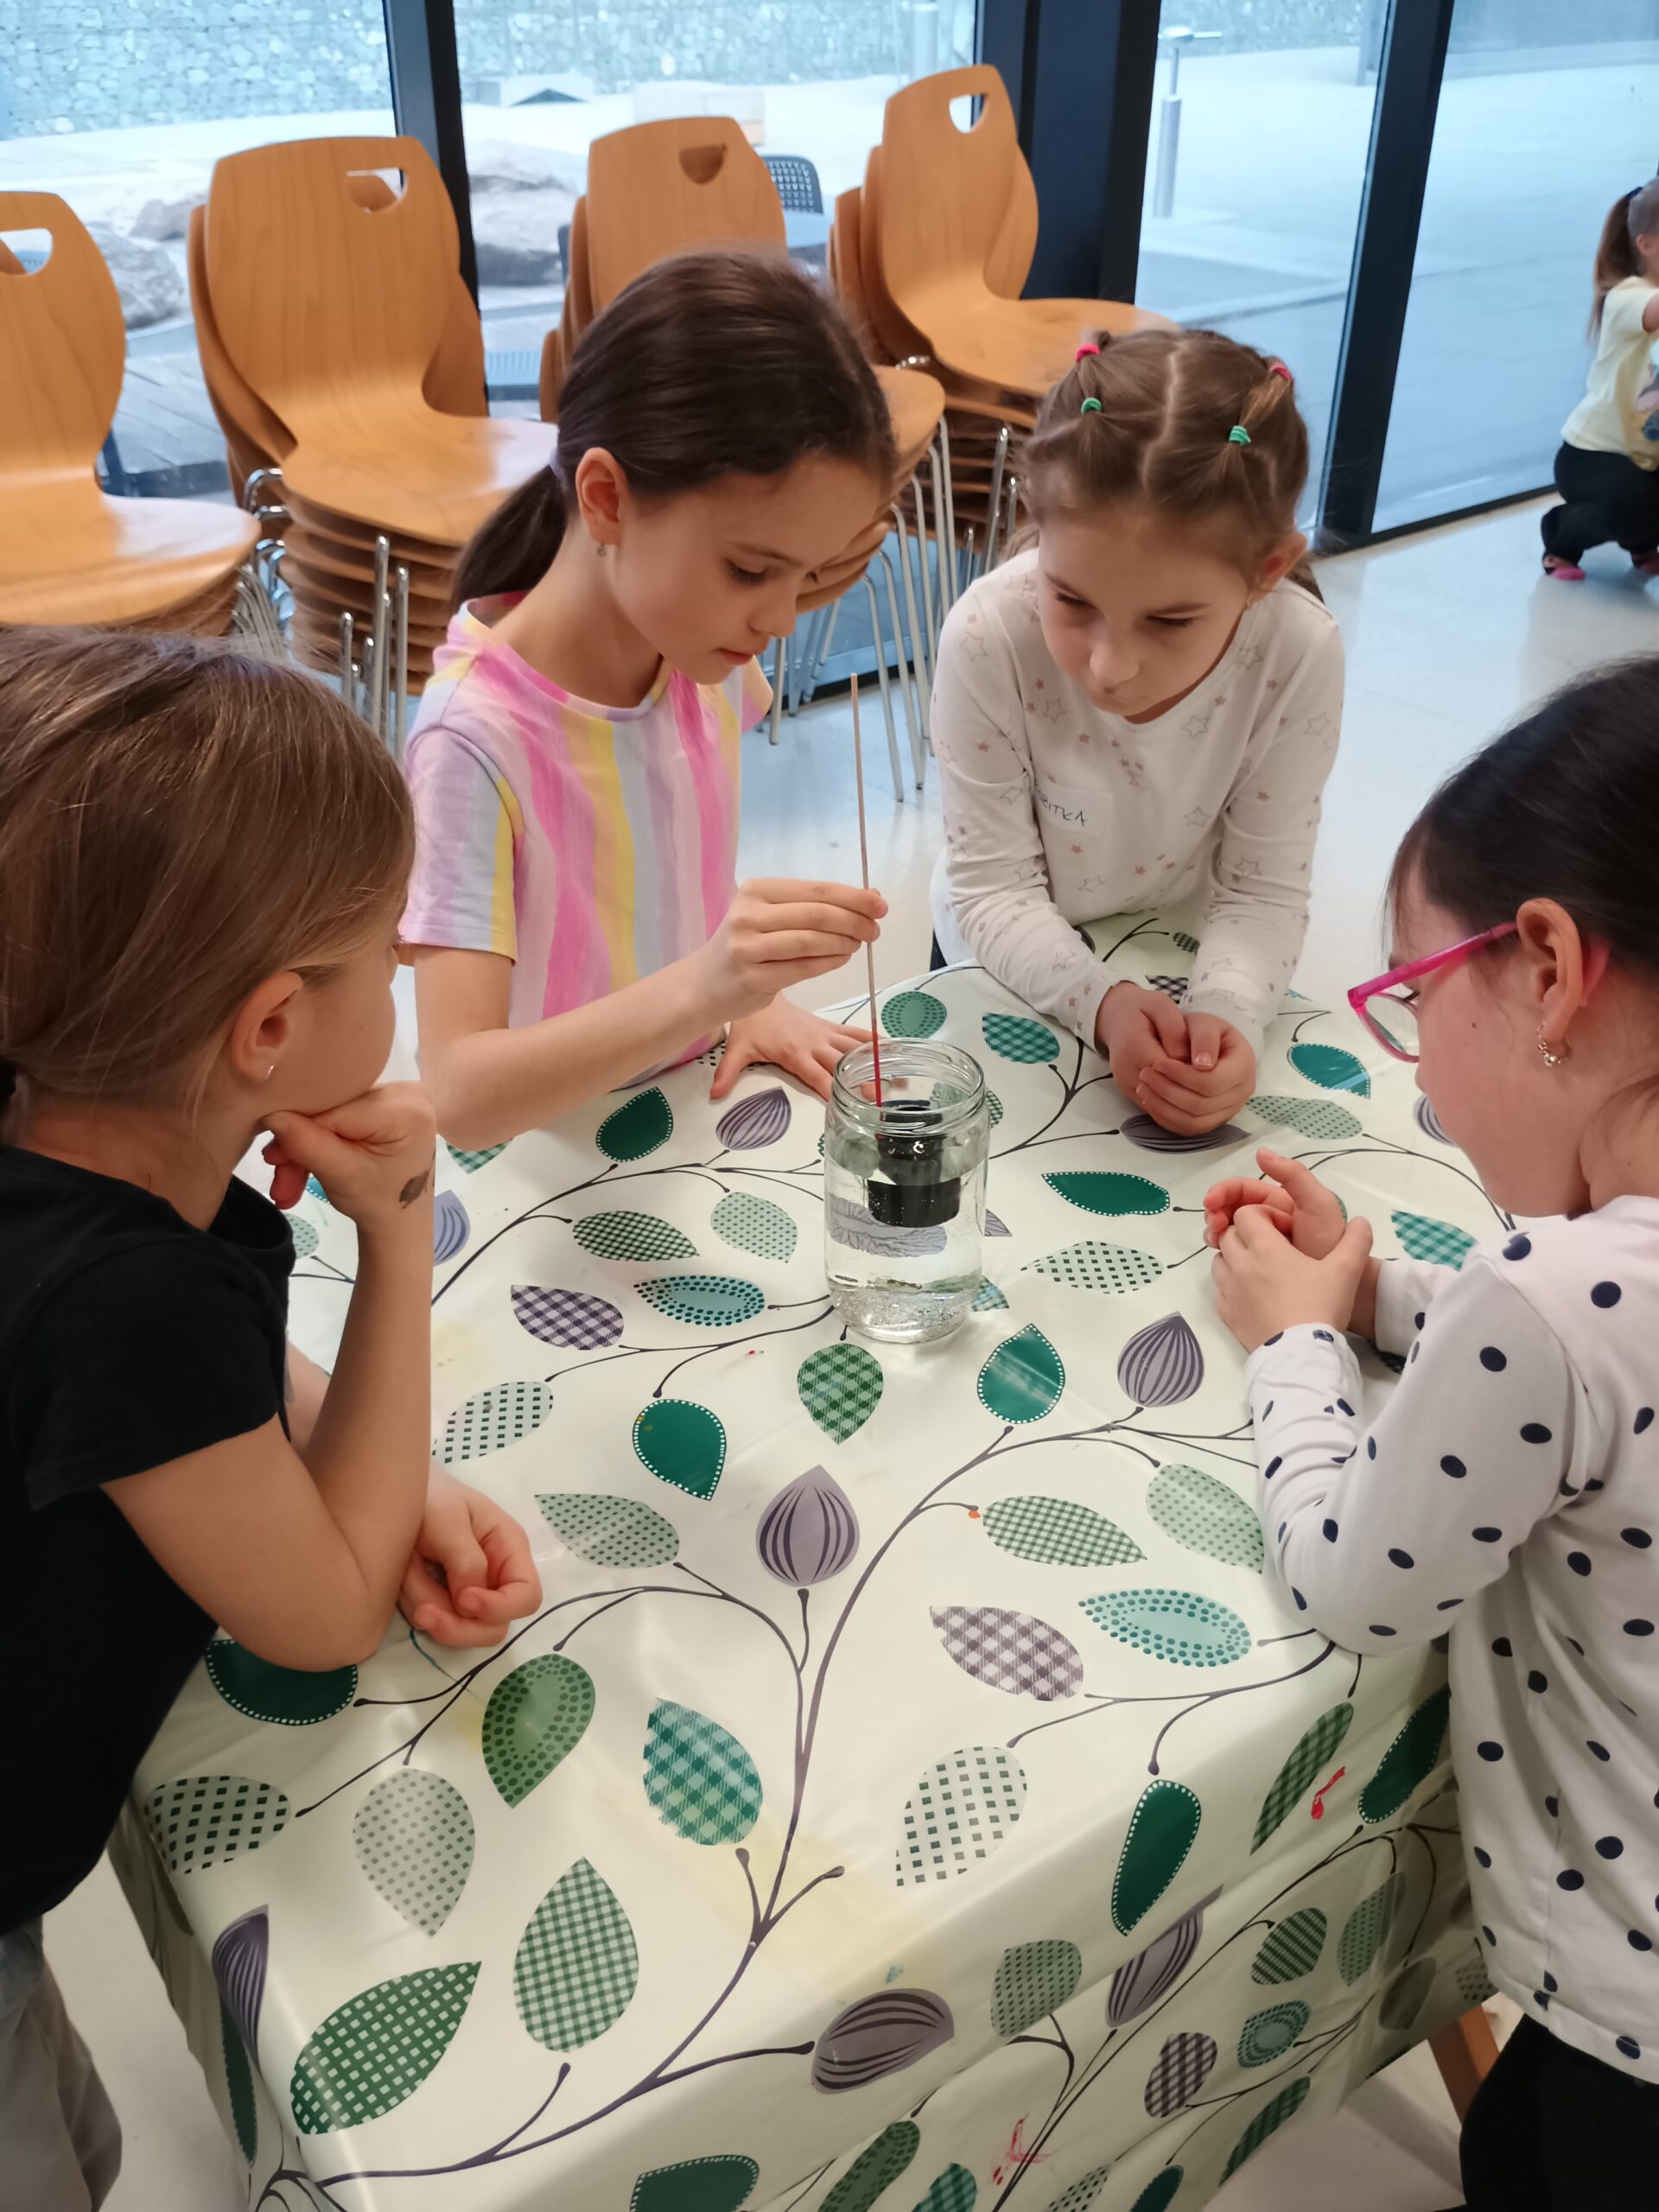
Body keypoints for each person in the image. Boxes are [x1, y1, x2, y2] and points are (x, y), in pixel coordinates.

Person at [0, 630, 541, 2209]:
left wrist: (375, 1467)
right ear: (269, 1031)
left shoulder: (41, 1118)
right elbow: (322, 1613)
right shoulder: (130, 1304)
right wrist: (398, 1234)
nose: (408, 960)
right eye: (386, 945)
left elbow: (185, 1404)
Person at [1205, 657, 1659, 2208]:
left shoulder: (1551, 1300)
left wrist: (1296, 1341)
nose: (1417, 1082)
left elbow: (1353, 1579)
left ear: (1549, 967)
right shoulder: (1568, 1300)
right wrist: (1377, 1290)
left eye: (1411, 997)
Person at [403, 249, 897, 1149]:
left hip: (689, 1115)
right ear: (606, 499)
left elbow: (670, 884)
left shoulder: (703, 655)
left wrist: (750, 997)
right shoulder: (471, 740)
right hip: (549, 1160)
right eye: (750, 569)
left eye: (806, 575)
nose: (780, 619)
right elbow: (460, 1094)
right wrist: (710, 987)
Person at [929, 327, 1344, 1138]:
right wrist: (1104, 1006)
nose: (1110, 666)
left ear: (1267, 571)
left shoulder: (1298, 651)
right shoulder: (988, 633)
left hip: (1180, 954)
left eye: (1170, 621)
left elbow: (1262, 889)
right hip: (1000, 956)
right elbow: (993, 887)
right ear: (1036, 522)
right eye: (1071, 601)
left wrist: (1229, 1015)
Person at [1541, 177, 1659, 581]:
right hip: (1592, 456)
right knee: (1634, 504)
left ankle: (1643, 540)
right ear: (1646, 244)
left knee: (1644, 500)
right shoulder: (1628, 297)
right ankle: (1561, 534)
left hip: (1646, 453)